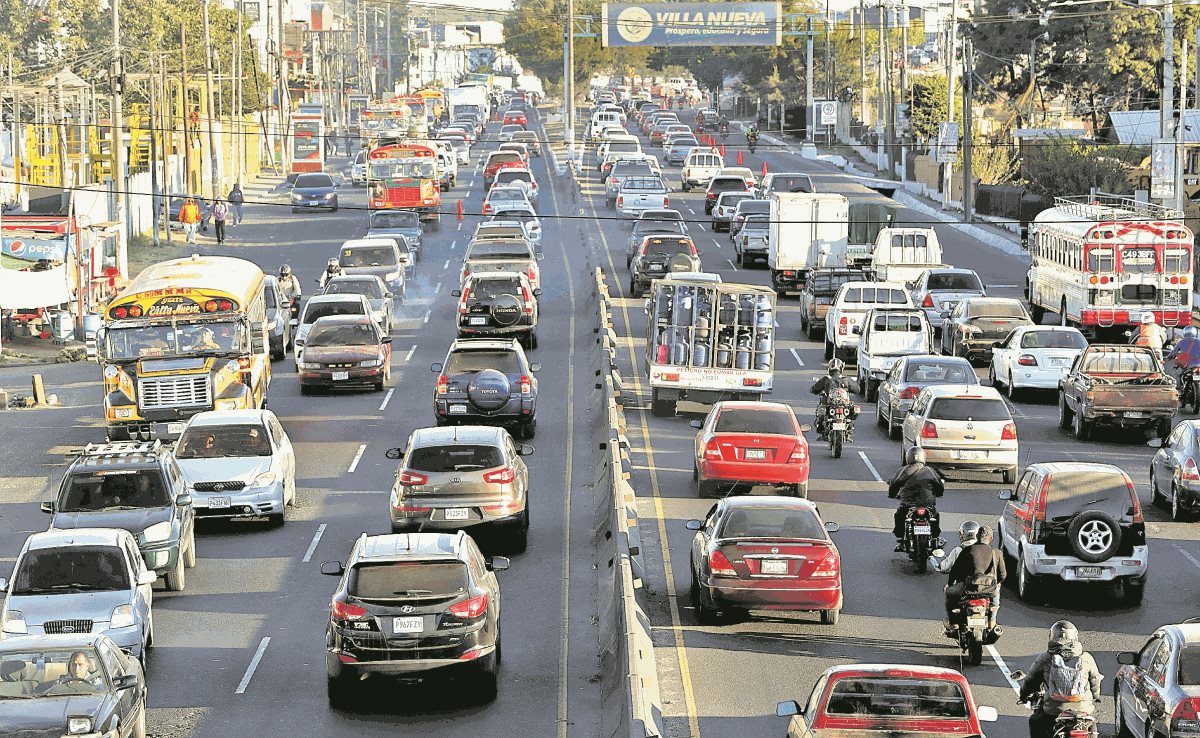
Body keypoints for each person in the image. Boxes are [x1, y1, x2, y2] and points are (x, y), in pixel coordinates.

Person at [1019, 621, 1103, 738]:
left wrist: (1023, 695)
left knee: (1035, 721)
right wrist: (1096, 696)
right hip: (1083, 709)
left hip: (1054, 711)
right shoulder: (1086, 657)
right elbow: (1095, 680)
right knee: (1092, 722)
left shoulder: (1045, 658)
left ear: (1052, 636)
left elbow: (1031, 680)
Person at [943, 524, 1005, 629]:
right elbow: (1002, 575)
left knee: (950, 594)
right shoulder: (996, 553)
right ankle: (992, 620)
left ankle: (954, 622)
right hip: (990, 590)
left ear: (977, 536)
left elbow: (955, 571)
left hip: (969, 588)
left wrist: (949, 584)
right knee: (995, 602)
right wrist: (994, 583)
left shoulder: (967, 550)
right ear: (991, 538)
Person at [887, 446, 944, 551]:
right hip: (928, 504)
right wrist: (938, 493)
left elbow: (894, 484)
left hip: (908, 504)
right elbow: (939, 485)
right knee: (935, 516)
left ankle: (901, 540)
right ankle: (935, 538)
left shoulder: (902, 471)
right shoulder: (930, 471)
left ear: (908, 457)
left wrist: (891, 494)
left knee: (899, 516)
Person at [810, 359, 852, 439]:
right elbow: (857, 389)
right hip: (844, 406)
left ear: (829, 368)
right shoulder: (846, 379)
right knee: (851, 411)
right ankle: (849, 430)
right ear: (841, 368)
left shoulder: (826, 379)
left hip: (830, 405)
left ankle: (822, 433)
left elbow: (813, 389)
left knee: (821, 412)